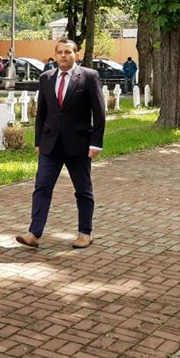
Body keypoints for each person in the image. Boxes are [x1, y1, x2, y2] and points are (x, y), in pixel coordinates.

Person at [16, 38, 105, 251]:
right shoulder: (46, 78)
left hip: (79, 145)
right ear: (55, 55)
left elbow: (99, 112)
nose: (63, 56)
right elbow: (42, 113)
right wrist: (39, 140)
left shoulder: (89, 77)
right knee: (42, 188)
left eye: (68, 52)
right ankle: (34, 233)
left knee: (83, 190)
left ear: (76, 55)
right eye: (59, 52)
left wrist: (96, 144)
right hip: (50, 145)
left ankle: (85, 233)